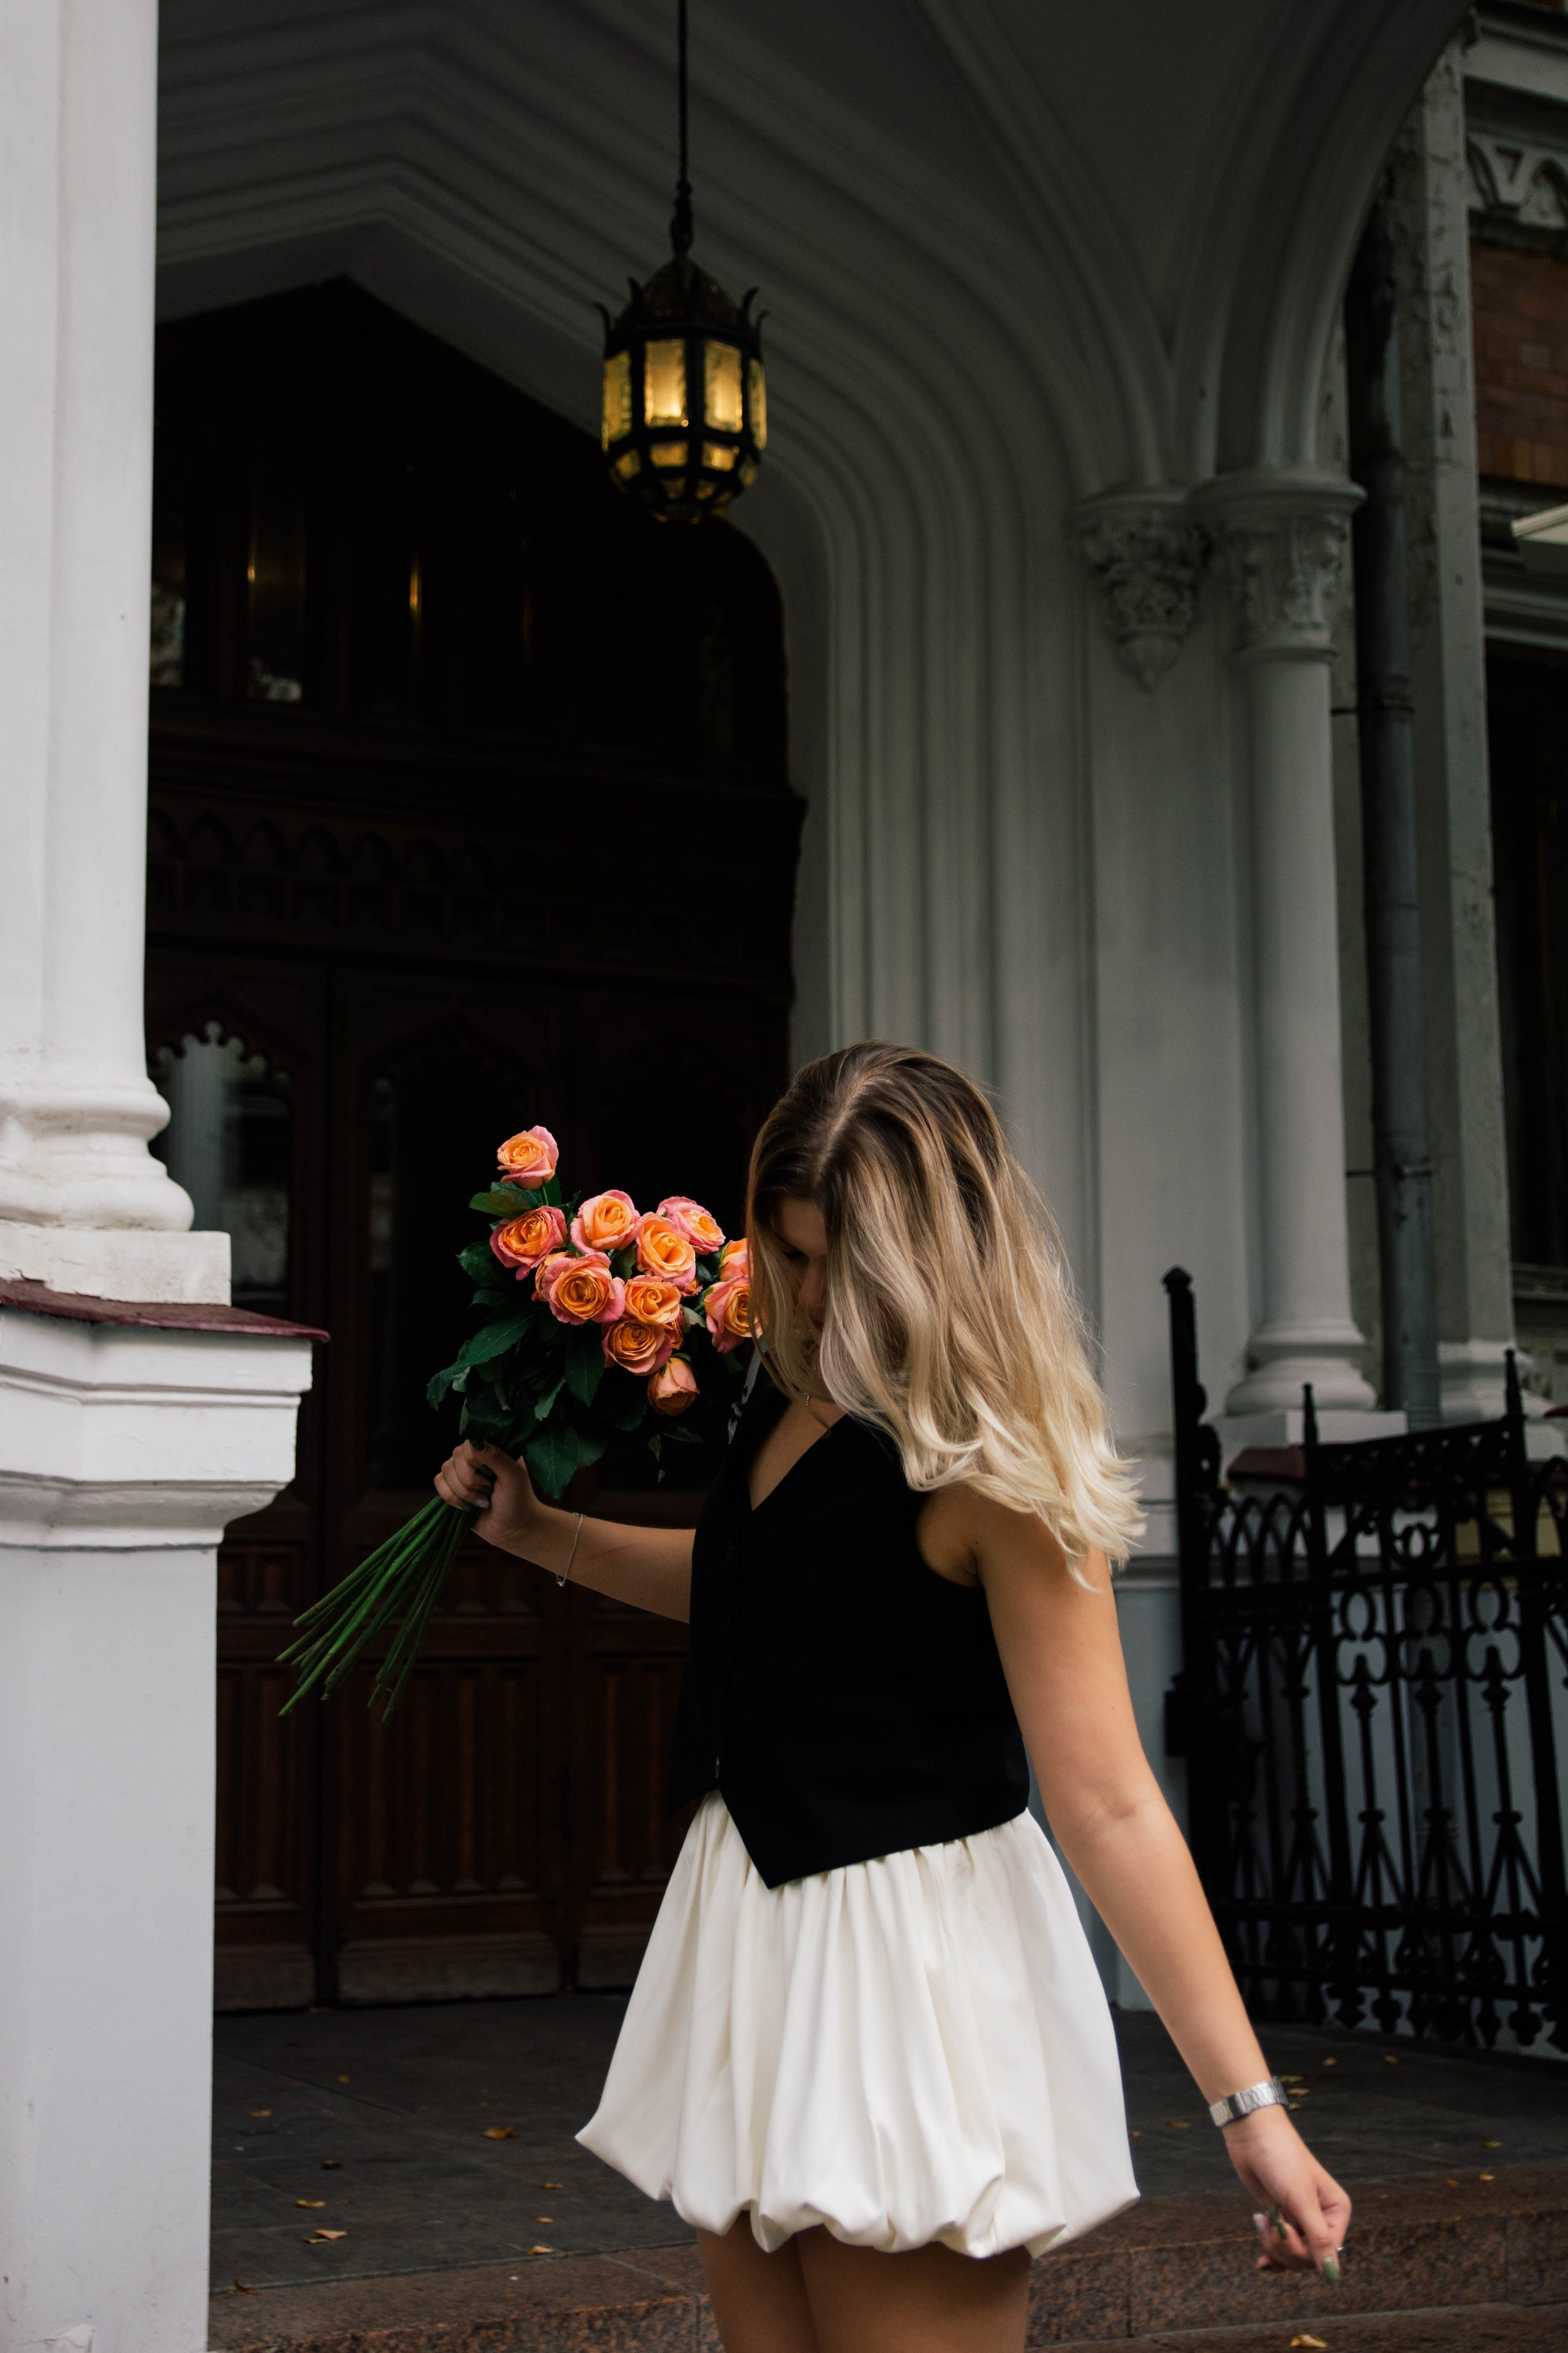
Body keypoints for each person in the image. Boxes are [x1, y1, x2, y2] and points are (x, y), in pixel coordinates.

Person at [435, 1041, 1349, 2353]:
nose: (807, 1295)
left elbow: (1108, 1804)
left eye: (839, 1266)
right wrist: (539, 1535)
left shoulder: (998, 1469)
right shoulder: (788, 1388)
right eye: (790, 1253)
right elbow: (764, 1589)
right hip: (746, 1930)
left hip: (907, 1964)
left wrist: (1248, 2108)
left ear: (935, 1258)